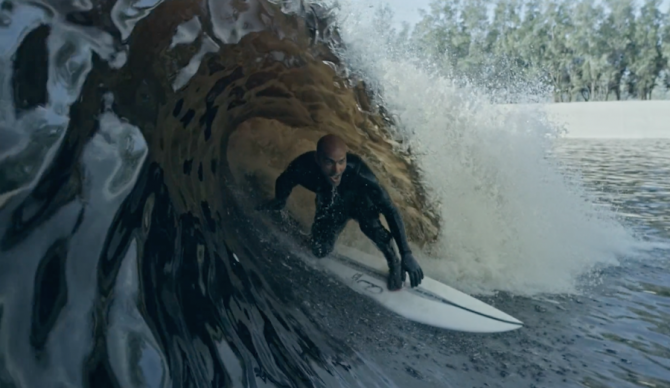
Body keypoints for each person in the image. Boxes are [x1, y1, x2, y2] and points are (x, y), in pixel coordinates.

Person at [256, 134, 424, 291]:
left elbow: (390, 209)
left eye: (341, 161)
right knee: (319, 251)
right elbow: (285, 180)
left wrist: (406, 253)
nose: (336, 170)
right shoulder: (303, 167)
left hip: (361, 203)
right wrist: (279, 201)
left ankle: (394, 262)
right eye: (329, 162)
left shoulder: (360, 172)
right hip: (332, 205)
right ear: (317, 159)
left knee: (372, 227)